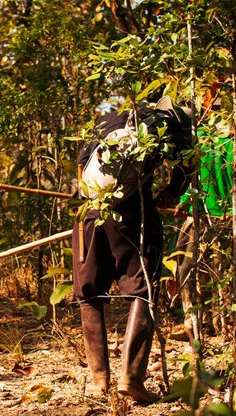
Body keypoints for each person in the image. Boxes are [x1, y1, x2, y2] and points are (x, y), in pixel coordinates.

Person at [72, 96, 193, 403]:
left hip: (91, 212)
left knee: (89, 291)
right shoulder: (169, 125)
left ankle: (99, 381)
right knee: (144, 289)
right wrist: (169, 196)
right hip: (133, 214)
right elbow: (185, 168)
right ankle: (132, 379)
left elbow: (81, 171)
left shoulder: (107, 120)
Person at [172, 91, 233, 342]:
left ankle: (225, 326)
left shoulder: (231, 144)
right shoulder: (202, 142)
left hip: (226, 218)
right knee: (186, 267)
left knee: (224, 275)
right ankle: (195, 323)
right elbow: (197, 178)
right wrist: (186, 201)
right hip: (200, 216)